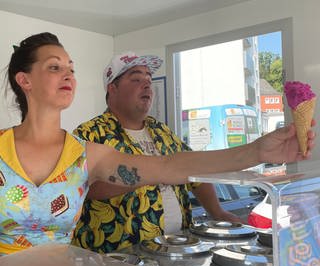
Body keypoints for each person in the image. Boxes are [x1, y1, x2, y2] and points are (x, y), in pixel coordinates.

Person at [0, 32, 315, 256]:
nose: (68, 74)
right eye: (55, 67)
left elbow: (173, 166)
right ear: (24, 80)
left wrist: (257, 151)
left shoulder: (86, 154)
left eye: (71, 68)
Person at [72, 51, 243, 254]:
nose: (146, 85)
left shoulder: (163, 131)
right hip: (115, 259)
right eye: (136, 78)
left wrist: (217, 212)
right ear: (113, 88)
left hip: (177, 249)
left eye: (148, 79)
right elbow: (80, 188)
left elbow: (194, 172)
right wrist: (152, 172)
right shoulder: (89, 133)